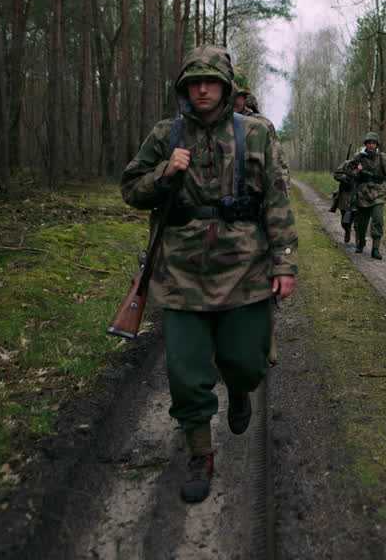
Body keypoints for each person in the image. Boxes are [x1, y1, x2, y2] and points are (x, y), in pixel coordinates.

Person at [119, 44, 297, 503]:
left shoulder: (256, 133)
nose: (202, 88)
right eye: (194, 81)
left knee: (246, 361)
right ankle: (200, 452)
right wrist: (163, 173)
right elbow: (131, 190)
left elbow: (277, 199)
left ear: (226, 86)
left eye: (211, 81)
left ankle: (239, 392)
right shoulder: (165, 135)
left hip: (245, 270)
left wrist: (285, 263)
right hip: (181, 274)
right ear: (184, 87)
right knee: (184, 372)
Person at [343, 132, 386, 259]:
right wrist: (357, 171)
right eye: (369, 143)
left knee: (378, 220)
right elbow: (347, 170)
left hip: (378, 191)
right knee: (362, 223)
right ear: (366, 144)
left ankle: (376, 248)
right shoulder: (358, 157)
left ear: (377, 145)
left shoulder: (382, 157)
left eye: (373, 143)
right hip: (363, 193)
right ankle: (361, 242)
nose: (371, 145)